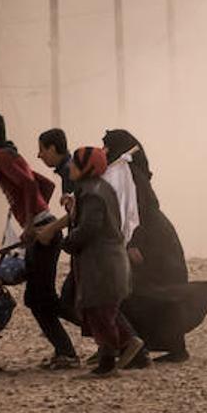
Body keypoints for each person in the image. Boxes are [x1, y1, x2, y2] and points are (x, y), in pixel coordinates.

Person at [0, 111, 79, 369]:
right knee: (36, 298)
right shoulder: (8, 154)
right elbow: (44, 185)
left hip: (43, 234)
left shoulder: (0, 157)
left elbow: (30, 186)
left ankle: (109, 336)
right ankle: (68, 350)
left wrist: (31, 222)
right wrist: (26, 213)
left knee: (43, 298)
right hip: (43, 229)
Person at [102, 129, 207, 363]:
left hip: (154, 243)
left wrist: (135, 242)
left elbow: (143, 209)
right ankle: (154, 347)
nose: (103, 152)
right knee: (151, 294)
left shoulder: (131, 175)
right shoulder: (125, 174)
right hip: (151, 239)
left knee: (155, 293)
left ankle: (168, 349)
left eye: (107, 147)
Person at [62, 145, 144, 377]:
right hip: (104, 262)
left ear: (86, 168)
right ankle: (126, 346)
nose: (70, 166)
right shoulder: (97, 188)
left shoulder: (93, 193)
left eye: (75, 163)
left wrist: (66, 242)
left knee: (100, 312)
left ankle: (109, 361)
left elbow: (89, 228)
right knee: (101, 311)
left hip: (102, 263)